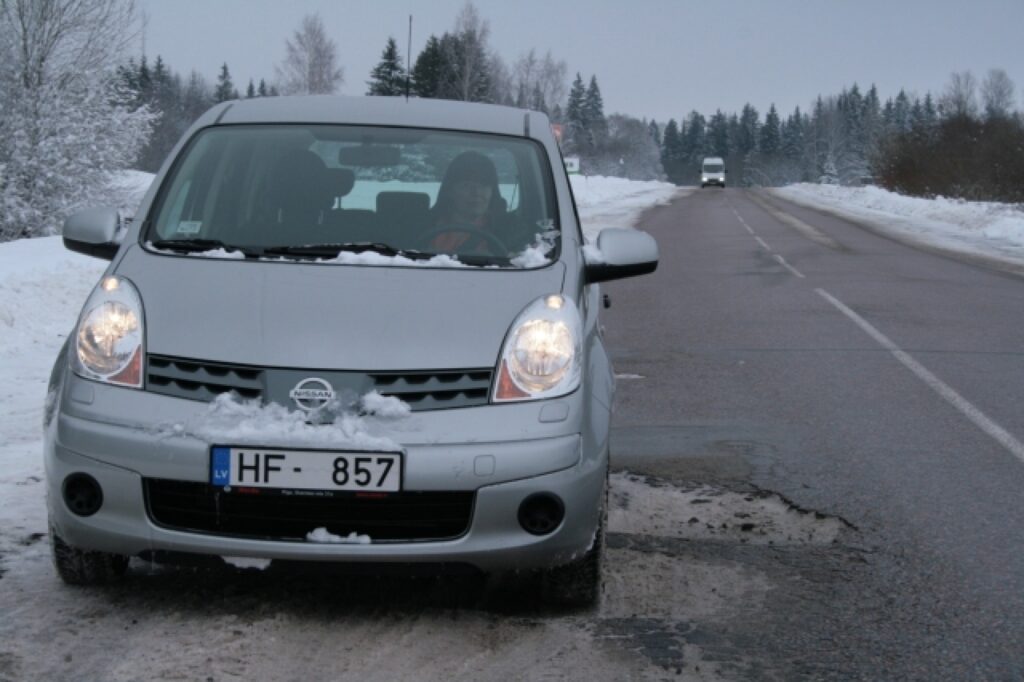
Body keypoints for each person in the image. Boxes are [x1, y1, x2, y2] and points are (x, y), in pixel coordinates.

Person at [428, 151, 511, 255]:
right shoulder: (423, 226)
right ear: (450, 191)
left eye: (484, 185)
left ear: (492, 191)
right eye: (466, 185)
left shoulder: (510, 232)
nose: (477, 193)